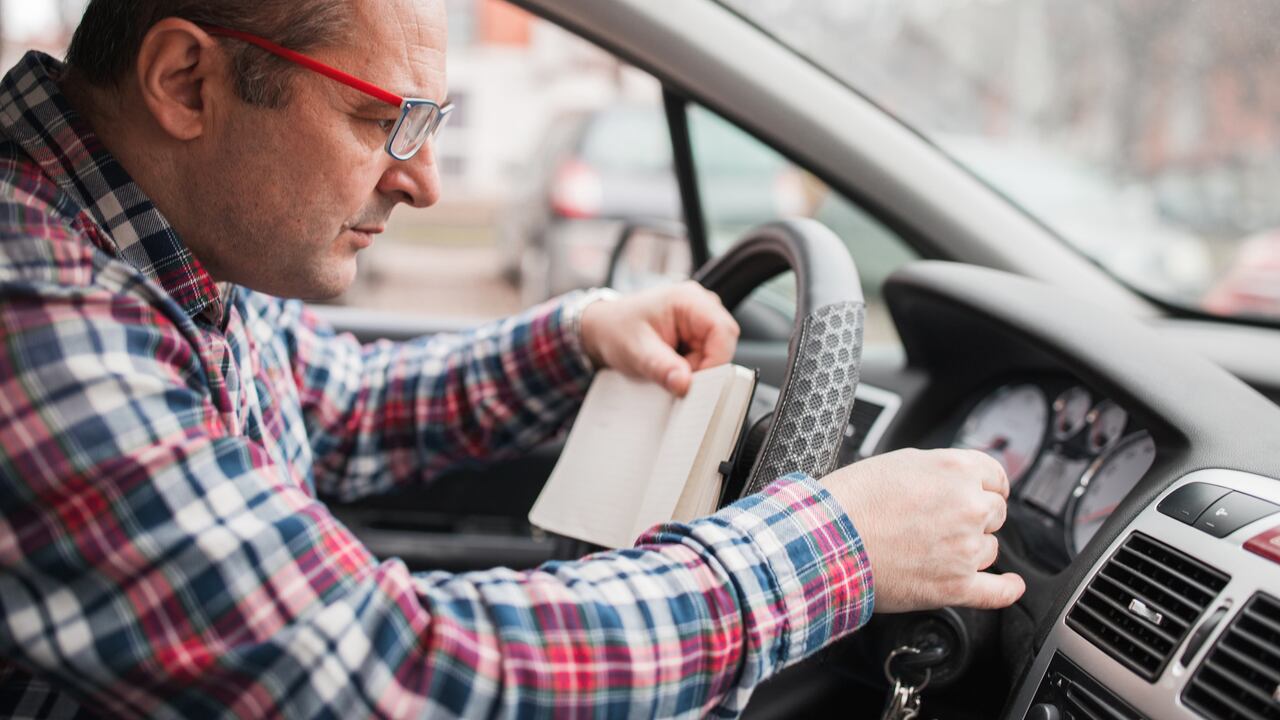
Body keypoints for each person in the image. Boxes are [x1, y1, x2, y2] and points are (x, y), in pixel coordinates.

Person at [0, 0, 1025, 717]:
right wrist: (831, 547)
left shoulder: (162, 257)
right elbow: (385, 675)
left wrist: (576, 338)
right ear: (188, 82)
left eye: (433, 124)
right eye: (386, 119)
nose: (426, 183)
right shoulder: (34, 315)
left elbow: (333, 405)